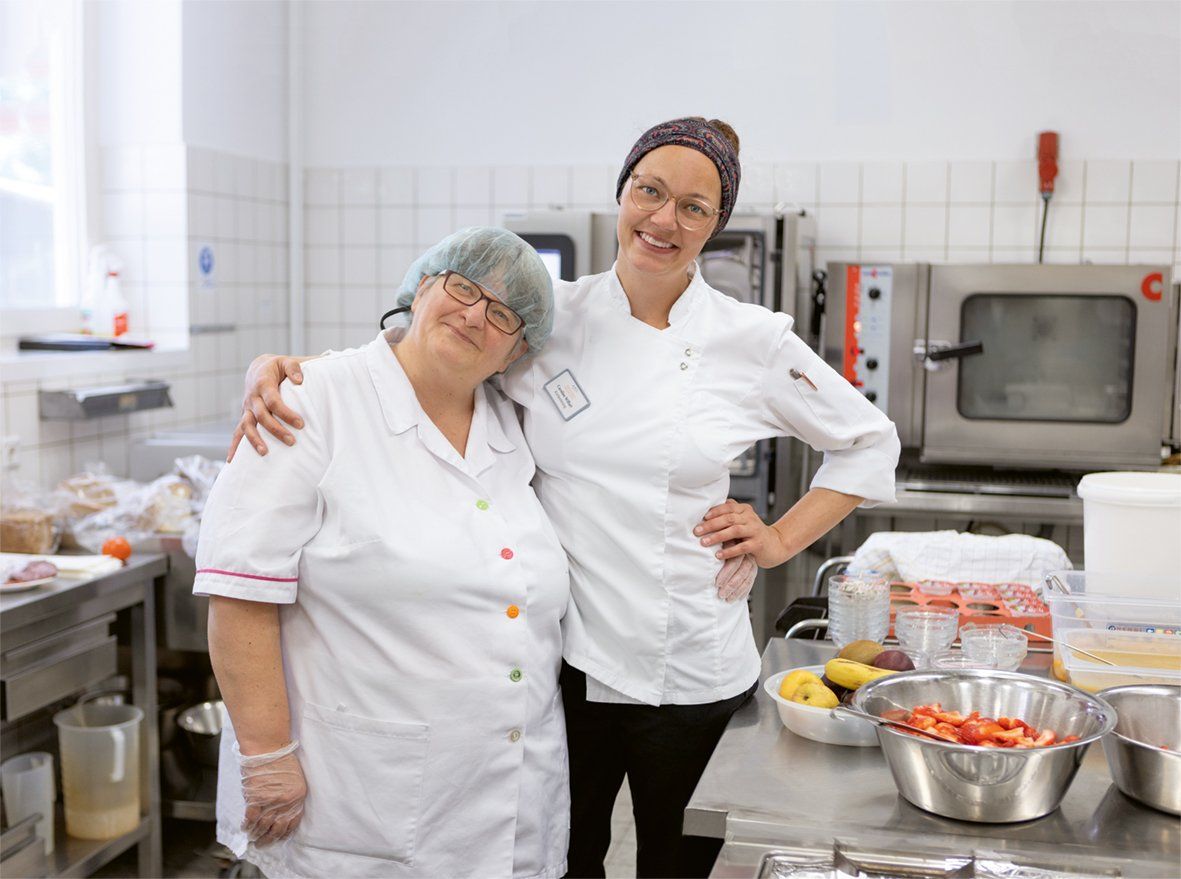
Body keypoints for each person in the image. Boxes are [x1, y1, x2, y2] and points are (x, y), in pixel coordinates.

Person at [232, 117, 900, 878]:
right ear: (621, 193)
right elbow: (426, 355)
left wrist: (779, 539)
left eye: (693, 207)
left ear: (715, 224)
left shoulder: (751, 340)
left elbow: (869, 441)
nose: (663, 220)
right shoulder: (550, 318)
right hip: (565, 664)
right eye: (649, 191)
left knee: (676, 868)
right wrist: (295, 370)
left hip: (689, 663)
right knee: (563, 860)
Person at [195, 227, 571, 879]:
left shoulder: (512, 427)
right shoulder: (310, 402)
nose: (475, 315)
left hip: (512, 800)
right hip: (363, 801)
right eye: (463, 288)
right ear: (421, 287)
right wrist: (266, 758)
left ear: (515, 351)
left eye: (503, 314)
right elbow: (240, 590)